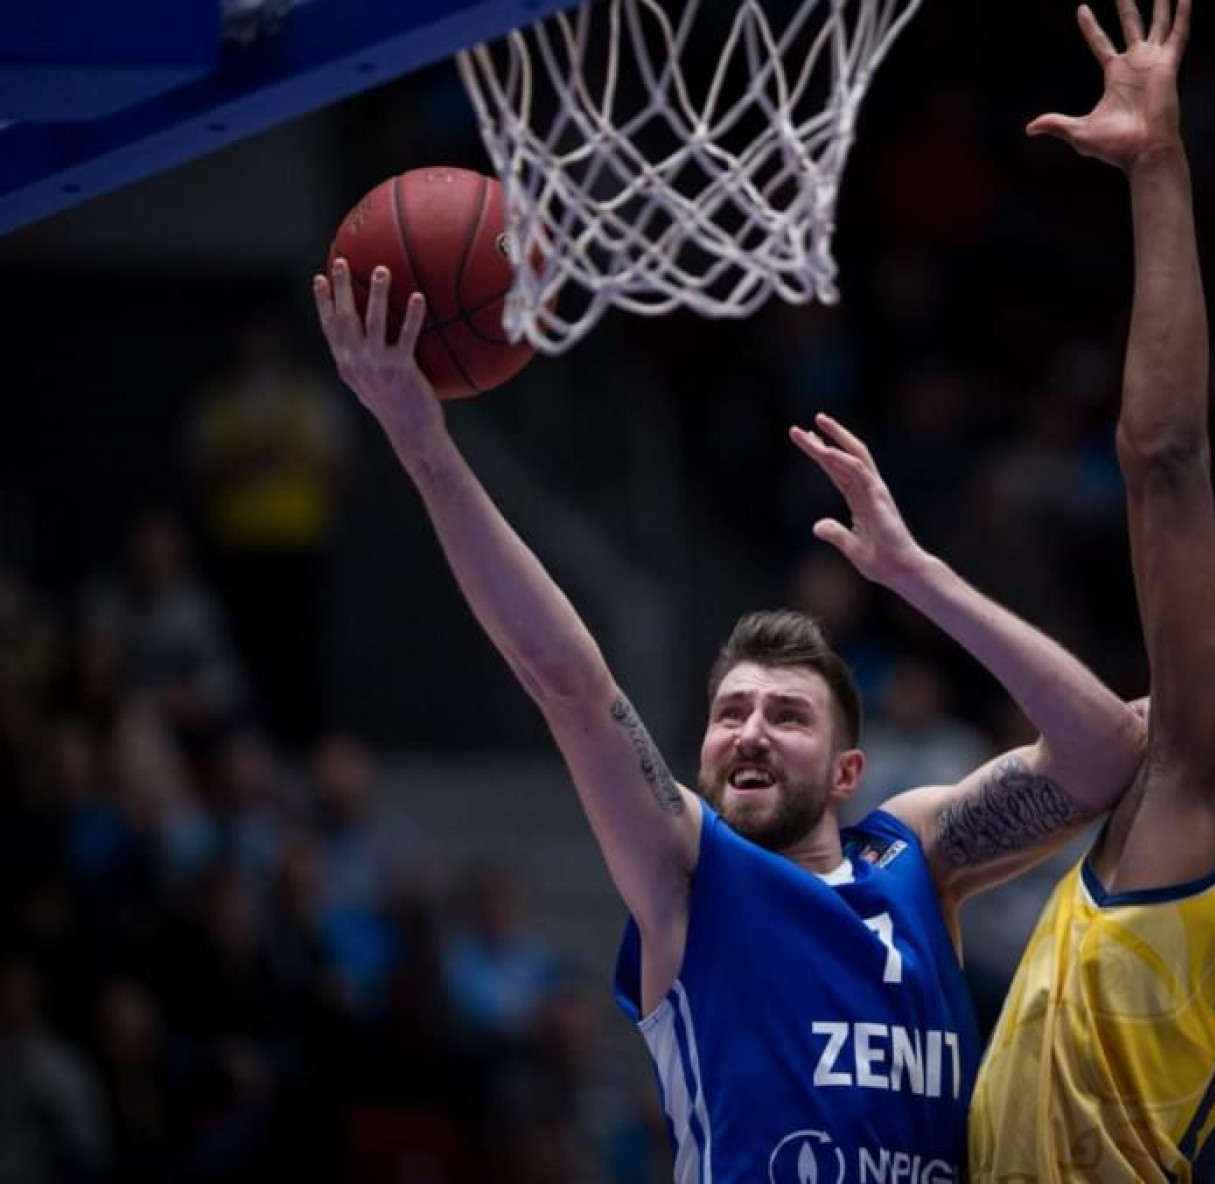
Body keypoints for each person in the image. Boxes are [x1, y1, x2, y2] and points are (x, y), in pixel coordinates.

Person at [311, 267, 1144, 1182]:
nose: (749, 731)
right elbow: (569, 684)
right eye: (730, 713)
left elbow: (1106, 749)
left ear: (847, 771)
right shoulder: (690, 870)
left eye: (786, 715)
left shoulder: (915, 856)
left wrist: (915, 574)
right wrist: (424, 445)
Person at [967, 3, 1215, 1180]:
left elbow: (1165, 458)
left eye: (1199, 684)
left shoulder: (1206, 790)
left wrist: (1157, 166)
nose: (1162, 686)